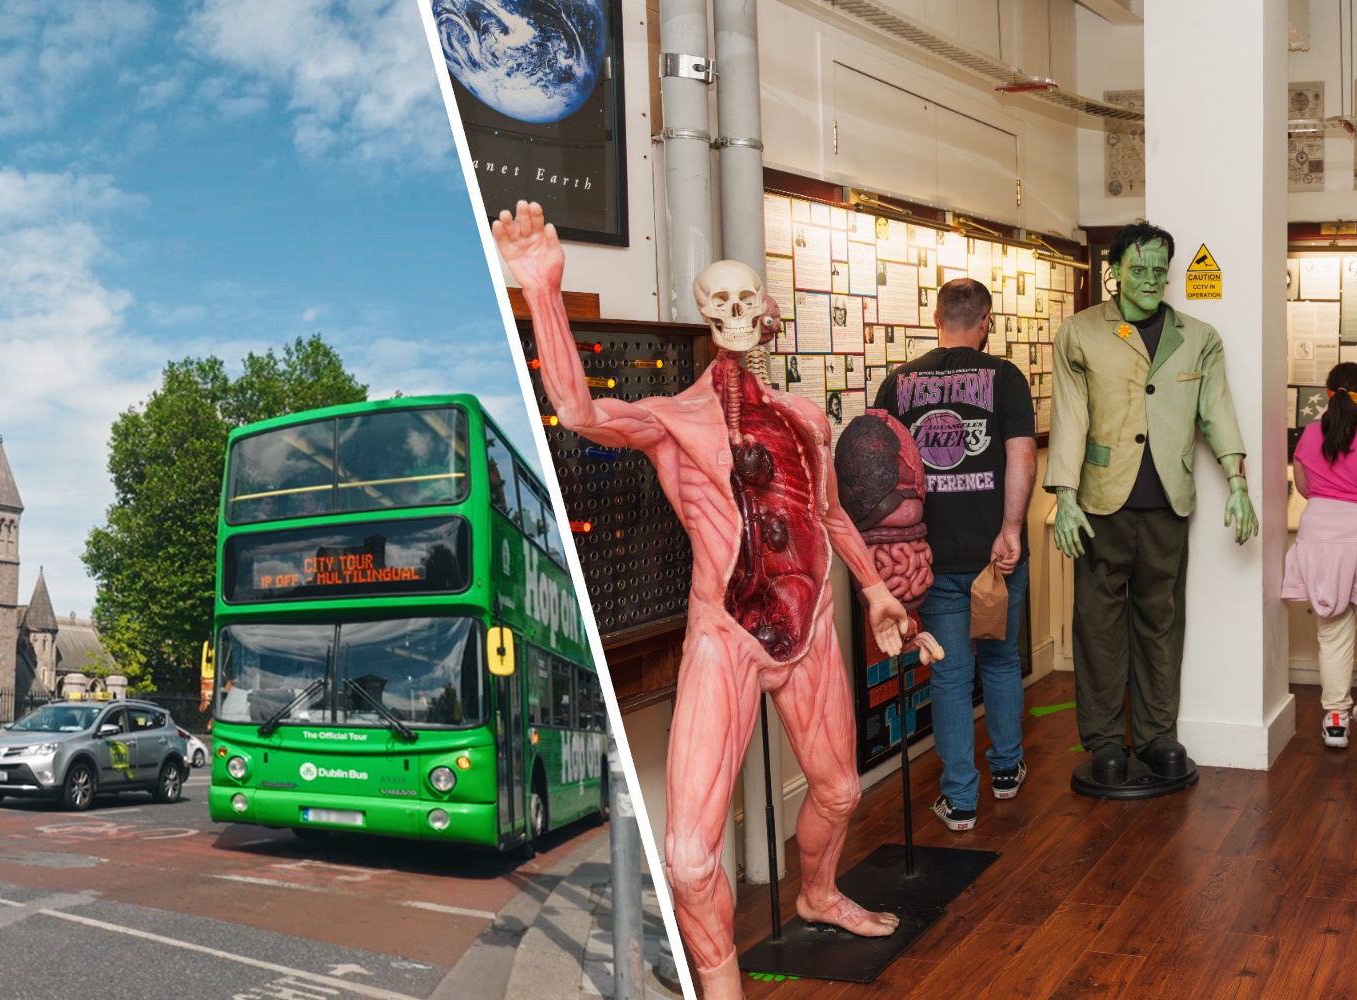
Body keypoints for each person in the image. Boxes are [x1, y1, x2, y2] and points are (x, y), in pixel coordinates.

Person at [495, 201, 938, 1000]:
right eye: (720, 300)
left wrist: (875, 591)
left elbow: (830, 514)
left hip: (809, 627)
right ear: (706, 313)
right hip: (726, 632)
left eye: (746, 298)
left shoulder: (806, 417)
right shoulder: (677, 420)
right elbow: (580, 413)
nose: (736, 312)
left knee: (840, 791)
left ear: (766, 309)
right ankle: (722, 982)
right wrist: (544, 293)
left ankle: (818, 893)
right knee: (690, 858)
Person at [1048, 220, 1257, 789]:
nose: (1148, 279)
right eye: (1137, 268)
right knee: (1097, 625)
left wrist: (1238, 483)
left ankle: (1157, 734)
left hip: (1168, 503)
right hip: (1100, 503)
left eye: (1158, 270)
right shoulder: (1081, 332)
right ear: (1114, 270)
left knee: (1161, 622)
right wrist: (1064, 496)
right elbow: (1069, 416)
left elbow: (1217, 411)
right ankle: (1105, 740)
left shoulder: (1198, 336)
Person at [874, 278, 1037, 830]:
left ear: (935, 318)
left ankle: (961, 800)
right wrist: (1010, 529)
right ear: (986, 321)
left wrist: (889, 553)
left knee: (948, 674)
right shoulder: (1006, 377)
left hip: (931, 556)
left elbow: (878, 473)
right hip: (996, 557)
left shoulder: (898, 383)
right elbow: (1022, 457)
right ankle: (1007, 772)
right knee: (1000, 660)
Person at [1284, 362, 1357, 747]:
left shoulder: (1311, 433)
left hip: (1320, 534)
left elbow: (1303, 486)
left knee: (1333, 632)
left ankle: (1336, 719)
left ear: (1328, 393)